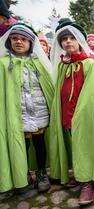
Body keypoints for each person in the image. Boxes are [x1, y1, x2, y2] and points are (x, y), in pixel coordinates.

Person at [49, 20, 94, 205]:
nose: (67, 42)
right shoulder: (63, 64)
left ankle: (87, 182)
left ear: (79, 40)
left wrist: (80, 114)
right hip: (67, 113)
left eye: (71, 38)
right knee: (74, 144)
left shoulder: (88, 64)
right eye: (64, 39)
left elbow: (93, 93)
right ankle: (80, 173)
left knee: (84, 145)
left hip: (82, 115)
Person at [0, 23, 54, 194]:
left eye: (23, 39)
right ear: (9, 41)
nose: (19, 42)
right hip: (17, 113)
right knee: (21, 144)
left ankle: (41, 172)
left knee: (39, 144)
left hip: (38, 111)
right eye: (15, 38)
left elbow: (48, 86)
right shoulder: (3, 64)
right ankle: (22, 174)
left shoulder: (38, 63)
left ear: (31, 42)